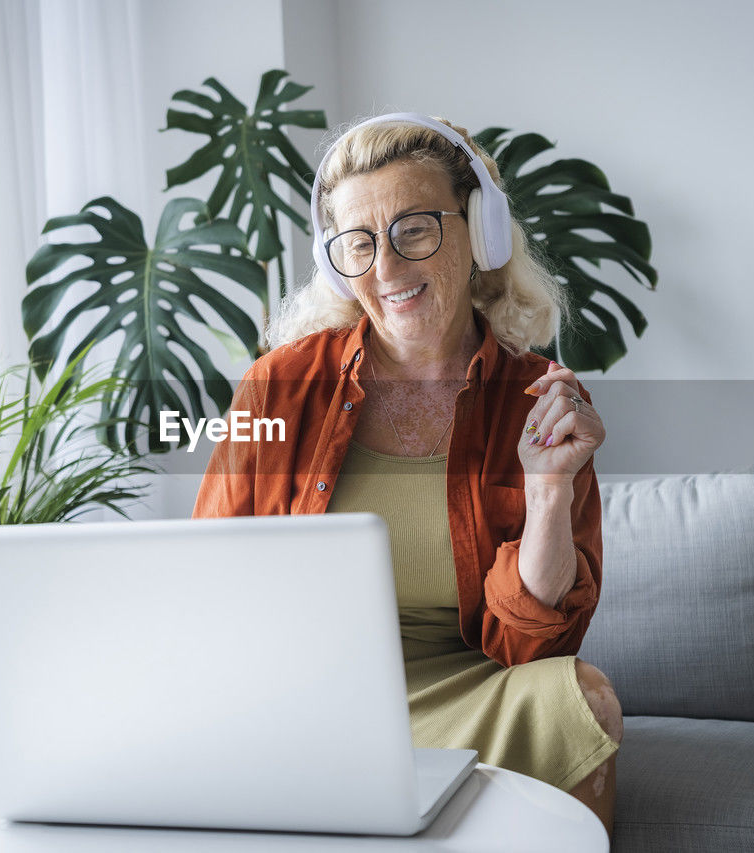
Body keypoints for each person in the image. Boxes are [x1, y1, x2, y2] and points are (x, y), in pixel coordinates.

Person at [193, 112, 623, 838]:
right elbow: (206, 580)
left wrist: (548, 491)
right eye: (358, 243)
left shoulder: (539, 396)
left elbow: (535, 644)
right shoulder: (278, 389)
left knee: (584, 699)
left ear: (478, 234)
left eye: (415, 229)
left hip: (470, 683)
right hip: (314, 693)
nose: (386, 269)